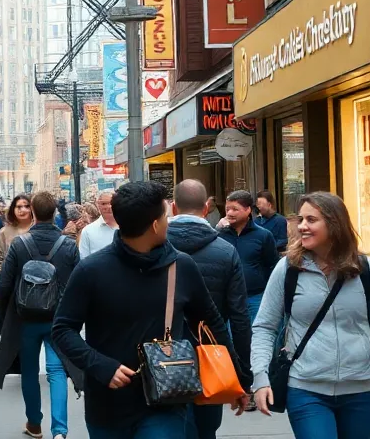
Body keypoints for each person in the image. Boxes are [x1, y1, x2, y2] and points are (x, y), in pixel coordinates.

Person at [52, 181, 249, 439]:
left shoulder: (181, 267)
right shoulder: (92, 271)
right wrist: (100, 365)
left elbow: (211, 323)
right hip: (107, 405)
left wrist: (237, 378)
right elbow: (62, 329)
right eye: (165, 216)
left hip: (165, 401)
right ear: (155, 225)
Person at [250, 193, 370, 439]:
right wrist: (260, 376)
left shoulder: (366, 270)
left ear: (334, 223)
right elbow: (265, 326)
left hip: (359, 390)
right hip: (306, 389)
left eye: (311, 220)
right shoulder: (288, 269)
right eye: (301, 219)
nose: (302, 226)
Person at [168, 180, 254, 439]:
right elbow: (239, 317)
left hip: (164, 353)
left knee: (172, 424)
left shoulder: (156, 247)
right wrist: (243, 373)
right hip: (211, 352)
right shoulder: (225, 251)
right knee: (206, 427)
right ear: (206, 208)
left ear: (173, 208)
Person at [0, 191, 84, 439]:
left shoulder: (19, 244)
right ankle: (60, 430)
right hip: (58, 318)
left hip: (25, 318)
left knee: (29, 371)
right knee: (56, 371)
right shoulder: (68, 245)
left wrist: (4, 318)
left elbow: (4, 284)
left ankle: (34, 423)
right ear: (55, 212)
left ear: (33, 212)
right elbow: (79, 284)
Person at [218, 190, 279, 320]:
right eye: (227, 209)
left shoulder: (263, 235)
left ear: (248, 210)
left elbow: (272, 266)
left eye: (235, 209)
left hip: (256, 297)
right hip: (227, 298)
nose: (229, 213)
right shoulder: (219, 236)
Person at [0, 193, 34, 301]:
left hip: (34, 284)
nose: (22, 210)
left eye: (26, 206)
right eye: (18, 207)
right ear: (13, 209)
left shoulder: (38, 229)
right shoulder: (4, 232)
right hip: (9, 284)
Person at [77, 191, 118, 259]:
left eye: (111, 203)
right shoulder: (88, 231)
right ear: (98, 205)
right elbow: (84, 259)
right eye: (104, 204)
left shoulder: (127, 227)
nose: (108, 207)